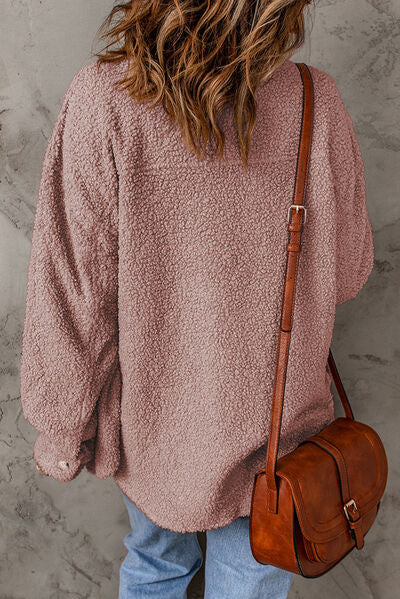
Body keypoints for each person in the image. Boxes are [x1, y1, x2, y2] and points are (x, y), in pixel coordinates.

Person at [19, 1, 374, 597]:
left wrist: (61, 428)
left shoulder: (105, 99)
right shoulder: (315, 98)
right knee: (250, 582)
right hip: (275, 432)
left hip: (154, 428)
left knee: (155, 566)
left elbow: (75, 292)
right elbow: (349, 271)